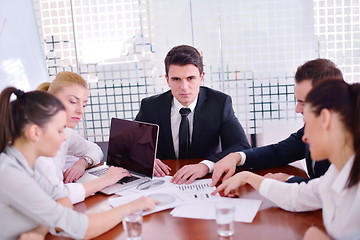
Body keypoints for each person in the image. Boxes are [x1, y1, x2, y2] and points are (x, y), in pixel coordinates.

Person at [0, 87, 156, 240]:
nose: (65, 138)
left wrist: (41, 229)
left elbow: (61, 199)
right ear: (35, 133)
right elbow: (83, 229)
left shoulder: (25, 166)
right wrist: (133, 206)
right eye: (60, 130)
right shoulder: (9, 174)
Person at [212, 79, 360, 239]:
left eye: (307, 123)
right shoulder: (337, 173)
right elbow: (297, 195)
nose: (305, 137)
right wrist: (247, 176)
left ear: (324, 118)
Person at [211, 59, 343, 186]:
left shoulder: (349, 139)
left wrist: (287, 179)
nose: (297, 109)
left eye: (303, 103)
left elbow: (327, 190)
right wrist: (238, 157)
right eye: (297, 101)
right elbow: (279, 152)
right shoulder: (314, 125)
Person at [135, 45, 250, 184]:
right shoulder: (150, 106)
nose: (184, 87)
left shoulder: (220, 103)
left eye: (190, 78)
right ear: (167, 79)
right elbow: (130, 146)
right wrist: (145, 159)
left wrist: (206, 166)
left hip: (205, 179)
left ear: (201, 77)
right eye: (176, 79)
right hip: (164, 180)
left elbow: (240, 146)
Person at [35, 71, 131, 204]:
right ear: (51, 100)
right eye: (73, 101)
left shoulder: (65, 131)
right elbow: (57, 198)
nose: (81, 111)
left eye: (84, 104)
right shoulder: (37, 142)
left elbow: (95, 149)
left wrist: (82, 163)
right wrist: (105, 180)